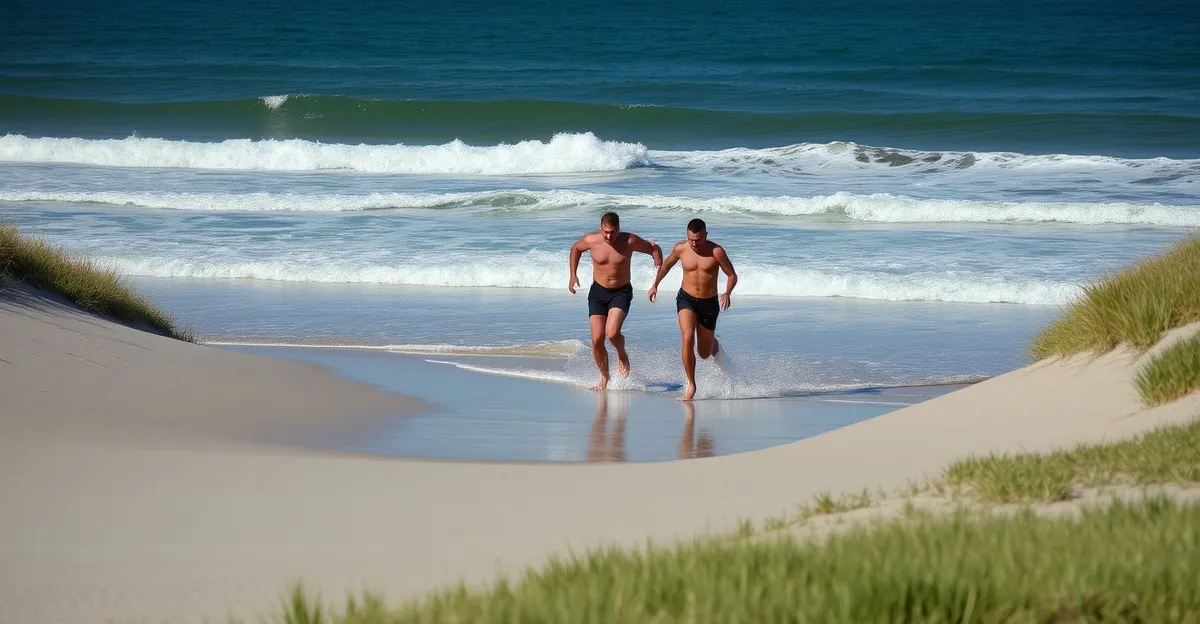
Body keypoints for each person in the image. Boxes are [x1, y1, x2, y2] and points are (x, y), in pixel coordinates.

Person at [568, 211, 663, 390]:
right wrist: (573, 275)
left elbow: (653, 248)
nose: (609, 236)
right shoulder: (591, 240)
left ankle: (621, 353)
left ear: (619, 228)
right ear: (600, 228)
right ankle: (604, 377)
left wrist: (657, 266)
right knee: (597, 339)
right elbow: (576, 249)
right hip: (598, 292)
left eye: (613, 232)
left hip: (621, 292)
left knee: (611, 333)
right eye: (606, 232)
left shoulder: (629, 241)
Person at [648, 218, 738, 401]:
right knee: (687, 337)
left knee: (704, 353)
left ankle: (714, 343)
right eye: (691, 239)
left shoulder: (716, 251)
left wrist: (727, 293)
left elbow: (731, 275)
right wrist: (655, 284)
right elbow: (666, 265)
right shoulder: (680, 249)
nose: (694, 243)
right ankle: (691, 385)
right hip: (686, 299)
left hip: (709, 303)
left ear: (706, 234)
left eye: (698, 239)